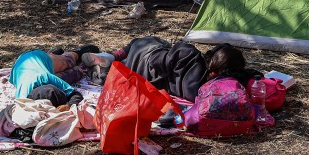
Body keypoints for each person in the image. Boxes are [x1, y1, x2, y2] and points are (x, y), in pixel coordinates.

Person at [81, 38, 254, 100]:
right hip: (145, 77)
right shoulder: (200, 93)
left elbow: (157, 60)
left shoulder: (191, 56)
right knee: (147, 46)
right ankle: (110, 59)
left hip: (143, 62)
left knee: (146, 42)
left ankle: (112, 56)